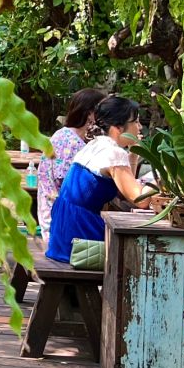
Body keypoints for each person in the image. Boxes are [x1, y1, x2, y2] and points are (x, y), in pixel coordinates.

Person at [46, 94, 157, 262]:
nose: (140, 127)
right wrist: (161, 177)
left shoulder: (96, 144)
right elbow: (140, 200)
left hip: (63, 231)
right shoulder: (113, 153)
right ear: (118, 128)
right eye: (135, 121)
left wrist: (133, 155)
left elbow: (125, 189)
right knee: (141, 256)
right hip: (80, 235)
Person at [36, 88, 106, 242]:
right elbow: (69, 186)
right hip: (58, 223)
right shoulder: (68, 140)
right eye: (102, 111)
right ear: (89, 113)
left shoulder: (68, 136)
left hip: (57, 216)